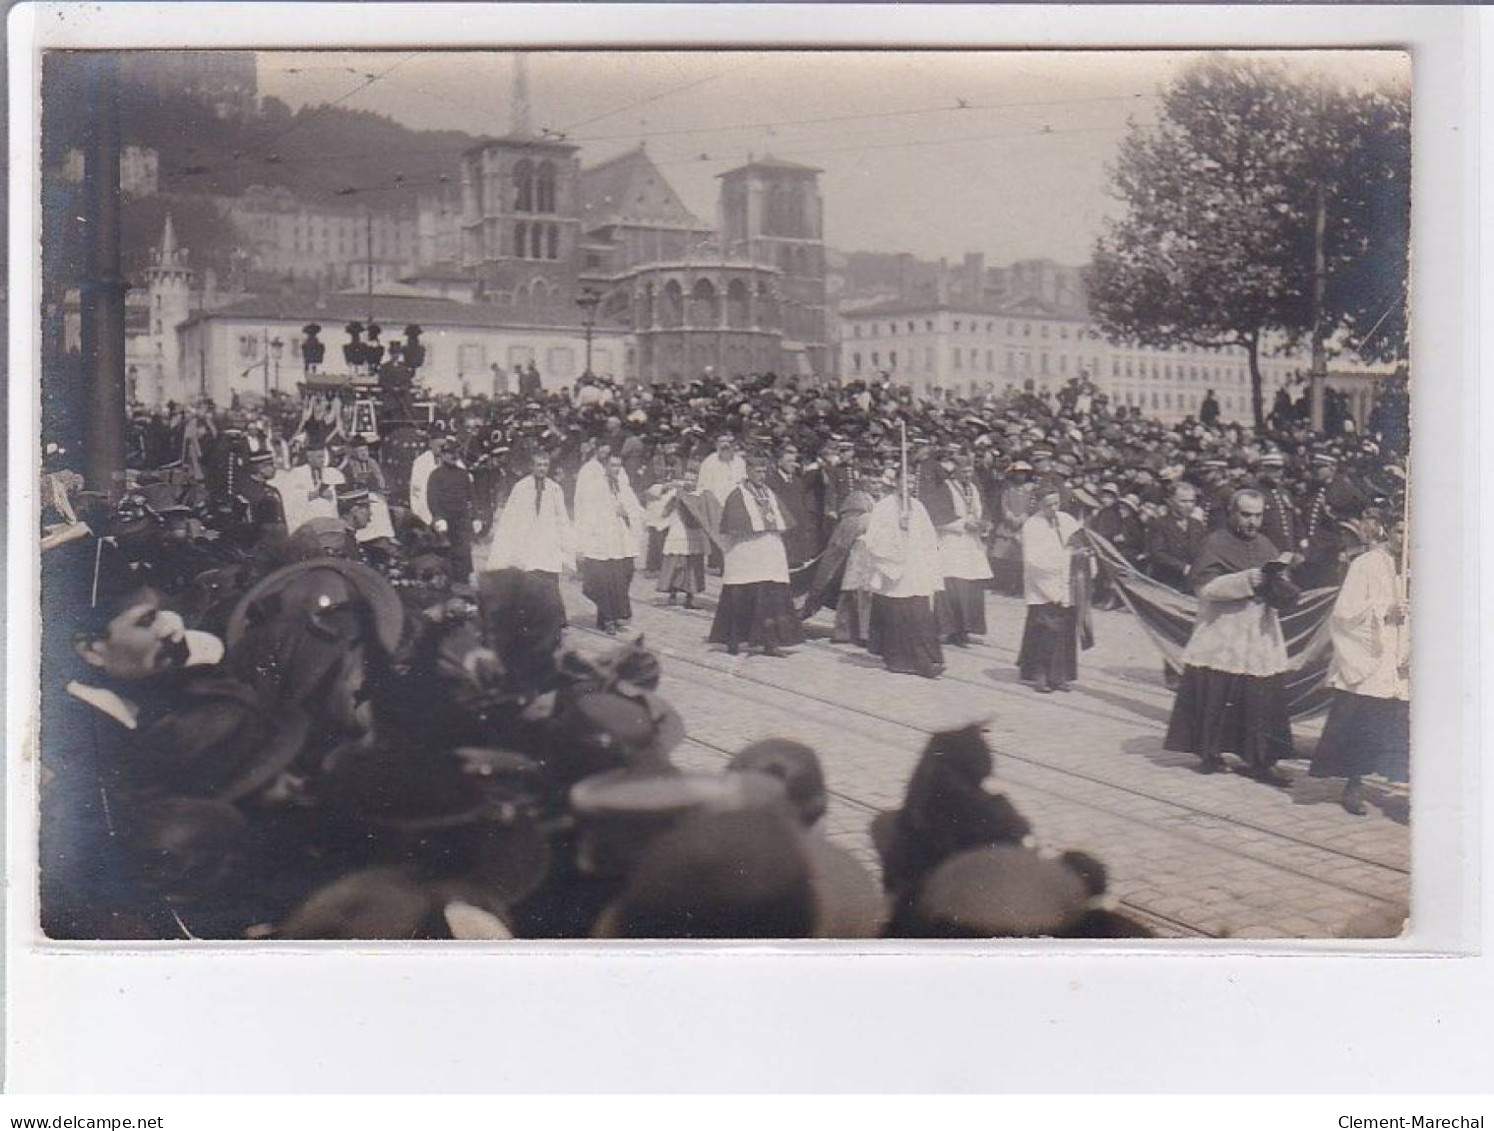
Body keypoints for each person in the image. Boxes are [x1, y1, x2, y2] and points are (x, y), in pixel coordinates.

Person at [1163, 489, 1297, 786]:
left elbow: (1277, 584)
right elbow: (1205, 589)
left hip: (1259, 630)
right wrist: (1248, 580)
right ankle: (1209, 753)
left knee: (1260, 695)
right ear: (1233, 513)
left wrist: (1284, 587)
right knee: (1218, 692)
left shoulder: (1266, 544)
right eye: (1246, 515)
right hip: (1224, 629)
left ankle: (1262, 760)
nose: (1252, 522)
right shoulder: (1216, 542)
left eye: (1258, 515)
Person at [1309, 512, 1409, 814]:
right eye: (1400, 531)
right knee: (1362, 721)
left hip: (1403, 654)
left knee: (1399, 726)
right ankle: (1353, 784)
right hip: (1372, 654)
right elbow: (1344, 613)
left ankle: (1403, 790)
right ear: (1386, 531)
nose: (1406, 539)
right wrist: (1383, 611)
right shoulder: (1365, 565)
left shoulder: (1420, 565)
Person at [708, 453, 803, 657]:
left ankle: (771, 643)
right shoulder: (737, 494)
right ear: (748, 472)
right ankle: (733, 640)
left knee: (771, 600)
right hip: (746, 554)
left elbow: (783, 521)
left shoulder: (769, 494)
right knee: (741, 597)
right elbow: (733, 526)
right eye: (757, 472)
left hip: (769, 554)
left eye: (763, 472)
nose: (761, 476)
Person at [864, 470, 946, 678]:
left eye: (912, 481)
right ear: (896, 481)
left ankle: (927, 659)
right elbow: (873, 539)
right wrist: (897, 532)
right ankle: (899, 660)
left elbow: (929, 537)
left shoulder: (918, 506)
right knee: (898, 614)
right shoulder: (883, 507)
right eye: (905, 481)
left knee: (920, 613)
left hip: (915, 568)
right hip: (896, 569)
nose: (908, 485)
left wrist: (931, 561)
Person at [484, 450, 573, 632]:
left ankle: (556, 620)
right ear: (532, 466)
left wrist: (567, 546)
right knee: (530, 582)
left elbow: (562, 518)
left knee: (549, 582)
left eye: (545, 465)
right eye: (538, 465)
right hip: (527, 543)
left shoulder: (555, 489)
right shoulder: (521, 488)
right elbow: (510, 517)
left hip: (548, 543)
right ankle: (532, 620)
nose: (542, 469)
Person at [1017, 480, 1083, 693]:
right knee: (1045, 630)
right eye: (1048, 505)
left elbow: (1080, 542)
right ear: (1038, 505)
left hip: (1066, 583)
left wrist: (1080, 554)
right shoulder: (1032, 526)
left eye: (1056, 503)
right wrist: (1067, 555)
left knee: (1064, 631)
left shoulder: (1067, 520)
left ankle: (1060, 675)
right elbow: (1034, 560)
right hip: (1043, 584)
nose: (1054, 509)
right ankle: (1040, 674)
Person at [925, 453, 992, 647]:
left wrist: (984, 523)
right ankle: (949, 630)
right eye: (964, 471)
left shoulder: (973, 489)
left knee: (972, 586)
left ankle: (965, 630)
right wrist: (963, 524)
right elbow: (939, 515)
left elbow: (981, 510)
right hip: (952, 542)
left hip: (972, 544)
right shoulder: (945, 488)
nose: (968, 475)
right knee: (954, 585)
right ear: (956, 471)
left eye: (970, 471)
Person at [573, 452, 644, 633]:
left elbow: (633, 506)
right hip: (600, 540)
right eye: (613, 465)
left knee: (621, 577)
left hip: (619, 540)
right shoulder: (595, 487)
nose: (616, 469)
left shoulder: (622, 485)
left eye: (619, 466)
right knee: (602, 580)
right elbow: (586, 513)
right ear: (605, 467)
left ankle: (617, 615)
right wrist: (582, 543)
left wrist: (626, 511)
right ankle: (607, 618)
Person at [653, 460, 709, 608]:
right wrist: (671, 501)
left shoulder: (701, 494)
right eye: (688, 479)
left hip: (695, 533)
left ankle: (689, 597)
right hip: (679, 530)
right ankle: (672, 594)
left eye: (693, 479)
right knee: (677, 562)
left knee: (692, 564)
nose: (690, 482)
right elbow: (665, 509)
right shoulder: (678, 493)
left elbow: (706, 513)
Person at [426, 438, 479, 582]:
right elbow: (432, 499)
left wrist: (475, 516)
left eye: (455, 453)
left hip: (461, 520)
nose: (453, 456)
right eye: (449, 453)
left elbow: (472, 496)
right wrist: (438, 517)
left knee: (463, 554)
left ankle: (463, 584)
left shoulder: (463, 474)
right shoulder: (436, 475)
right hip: (444, 521)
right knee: (445, 555)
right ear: (442, 455)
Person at [273, 438, 344, 534]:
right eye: (319, 457)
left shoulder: (332, 473)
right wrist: (314, 495)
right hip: (306, 520)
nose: (322, 460)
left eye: (323, 457)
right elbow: (290, 498)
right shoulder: (296, 474)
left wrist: (332, 496)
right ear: (309, 457)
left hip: (327, 519)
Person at [407, 432, 444, 527]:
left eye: (443, 446)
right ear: (430, 444)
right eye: (438, 445)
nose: (441, 449)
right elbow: (416, 490)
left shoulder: (449, 459)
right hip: (426, 504)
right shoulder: (421, 462)